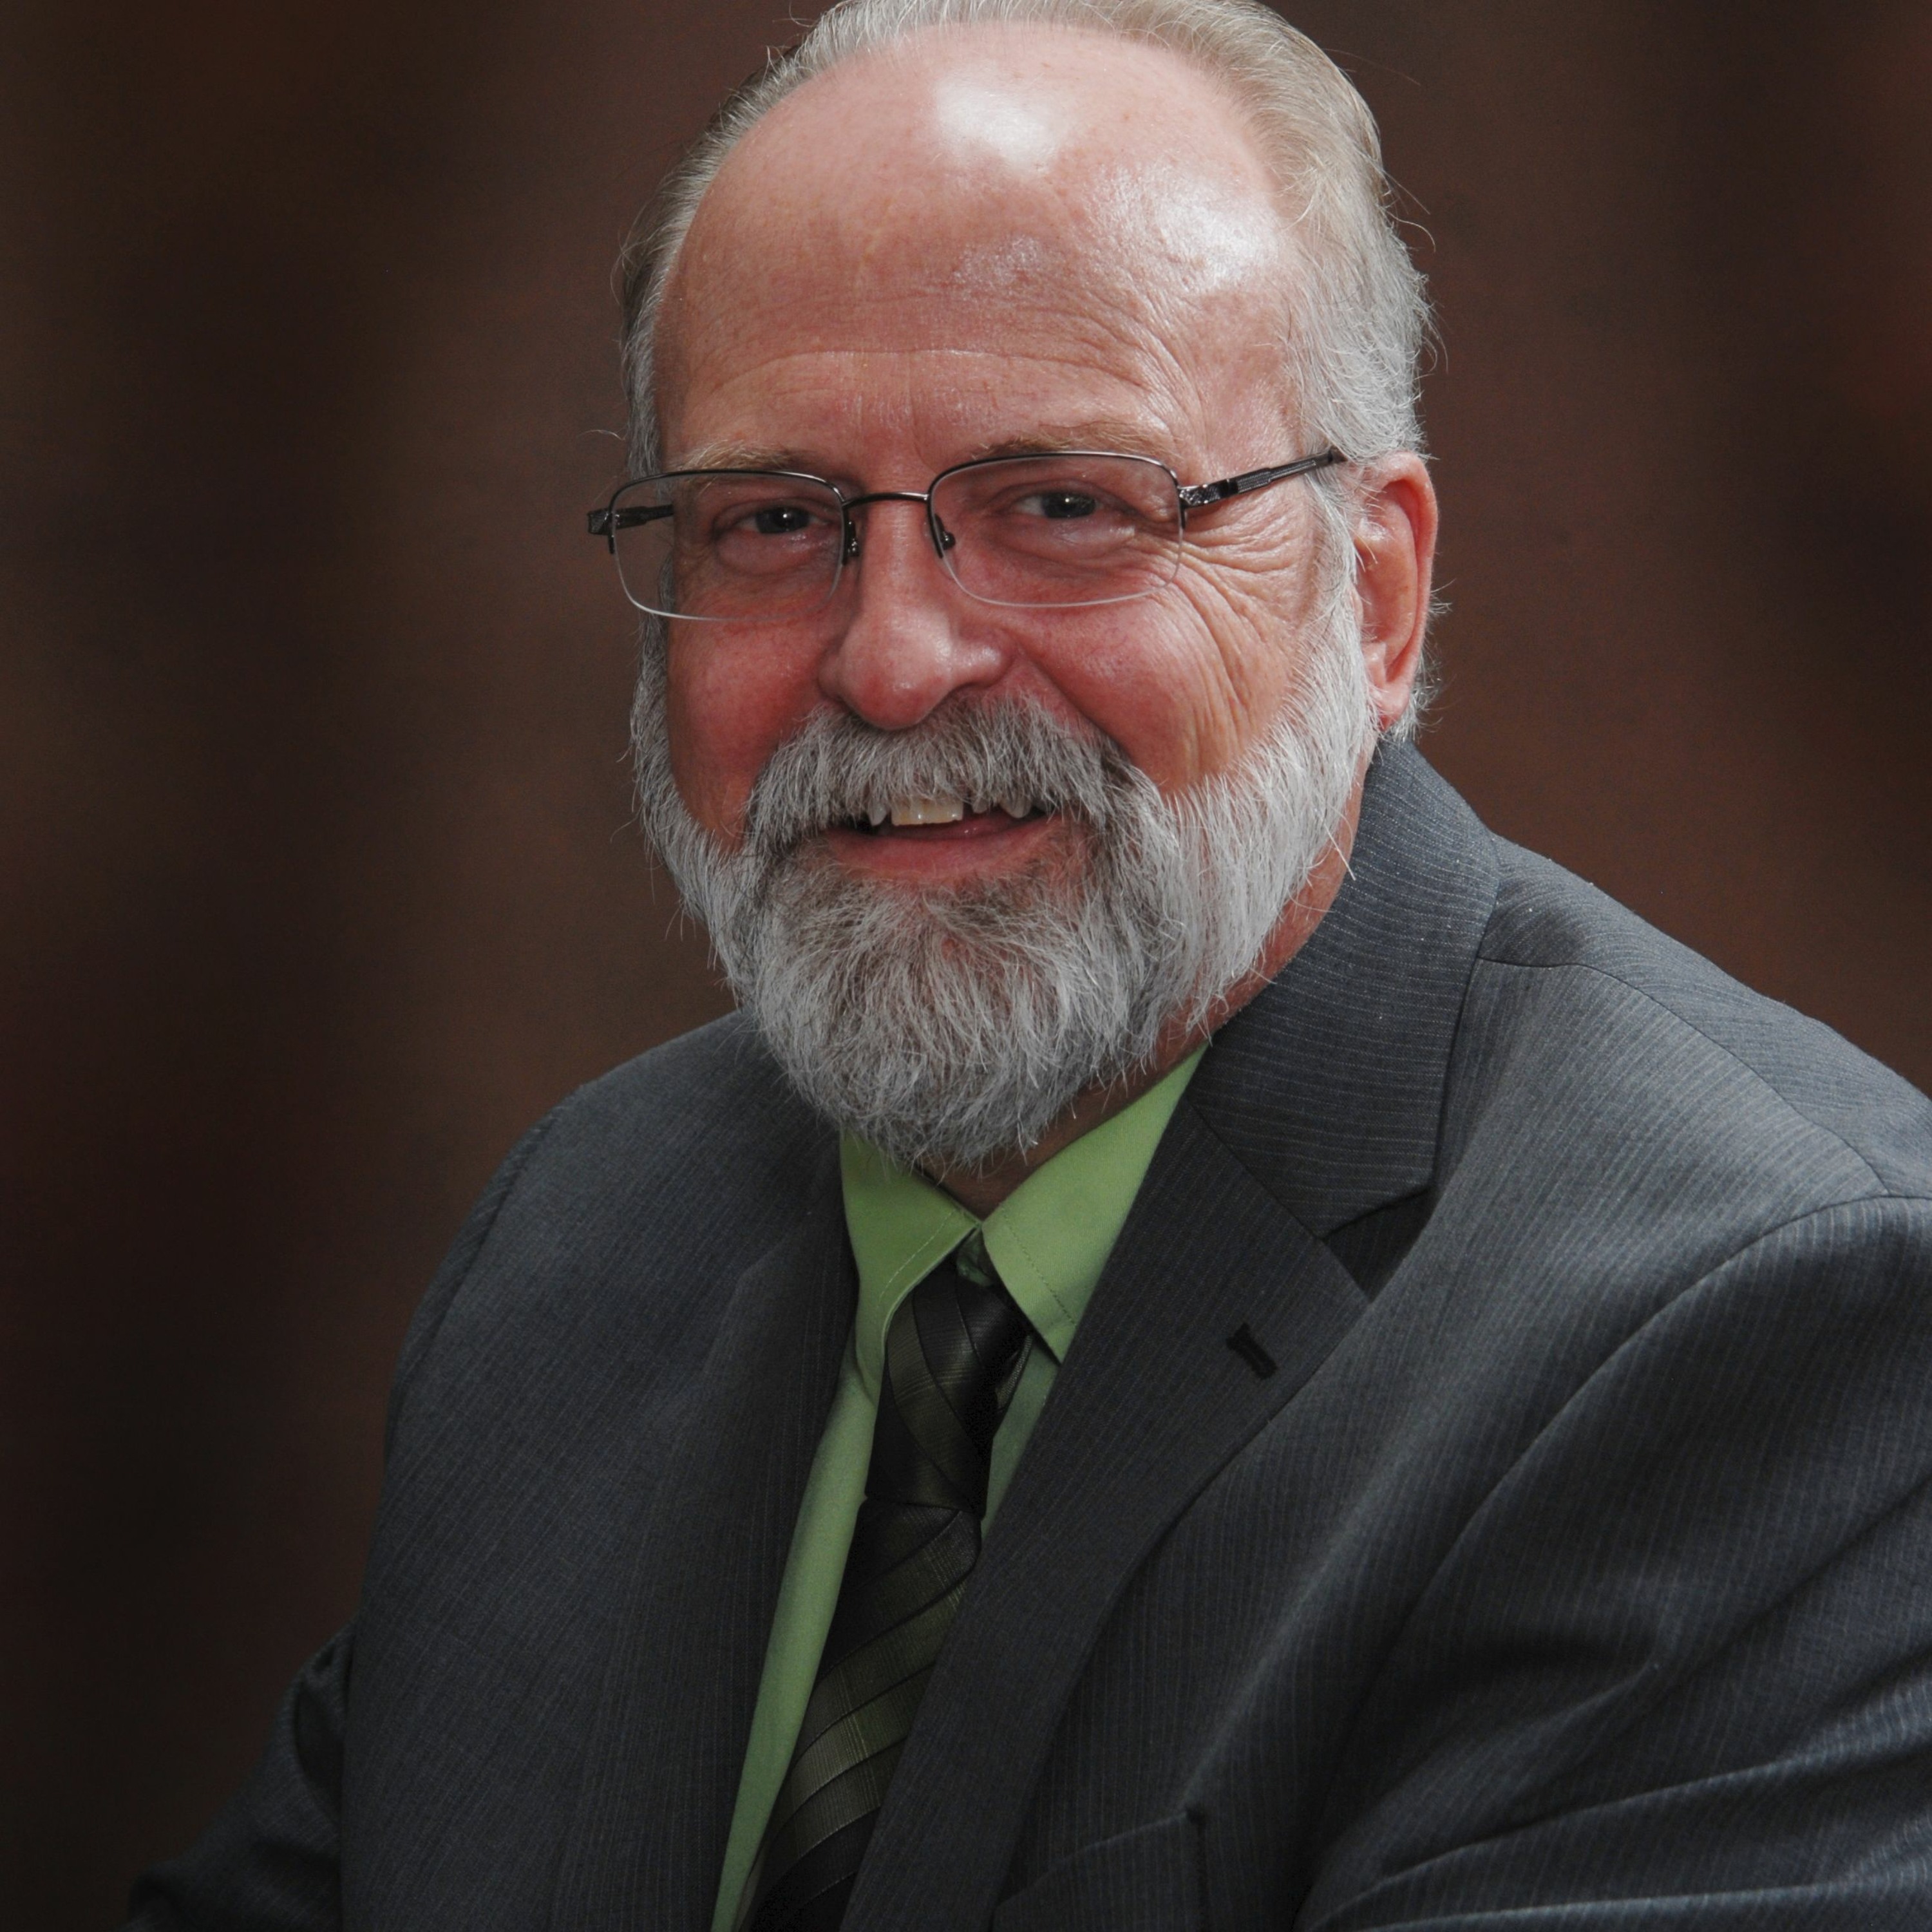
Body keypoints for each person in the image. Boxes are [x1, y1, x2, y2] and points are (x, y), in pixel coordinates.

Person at [128, 1, 1932, 1926]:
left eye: (1065, 507)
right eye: (775, 522)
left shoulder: (1759, 1334)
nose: (896, 661)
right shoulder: (583, 1238)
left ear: (1375, 598)